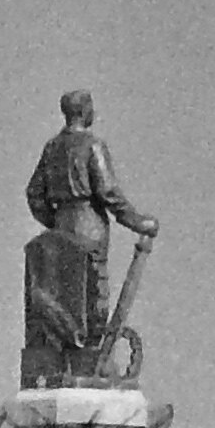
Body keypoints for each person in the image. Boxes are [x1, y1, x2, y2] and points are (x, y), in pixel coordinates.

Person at [23, 89, 157, 386]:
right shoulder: (92, 146)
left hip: (60, 225)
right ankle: (91, 361)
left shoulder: (51, 148)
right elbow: (108, 193)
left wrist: (55, 222)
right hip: (89, 226)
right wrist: (140, 223)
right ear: (85, 111)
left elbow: (34, 194)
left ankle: (70, 359)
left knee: (65, 294)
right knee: (92, 293)